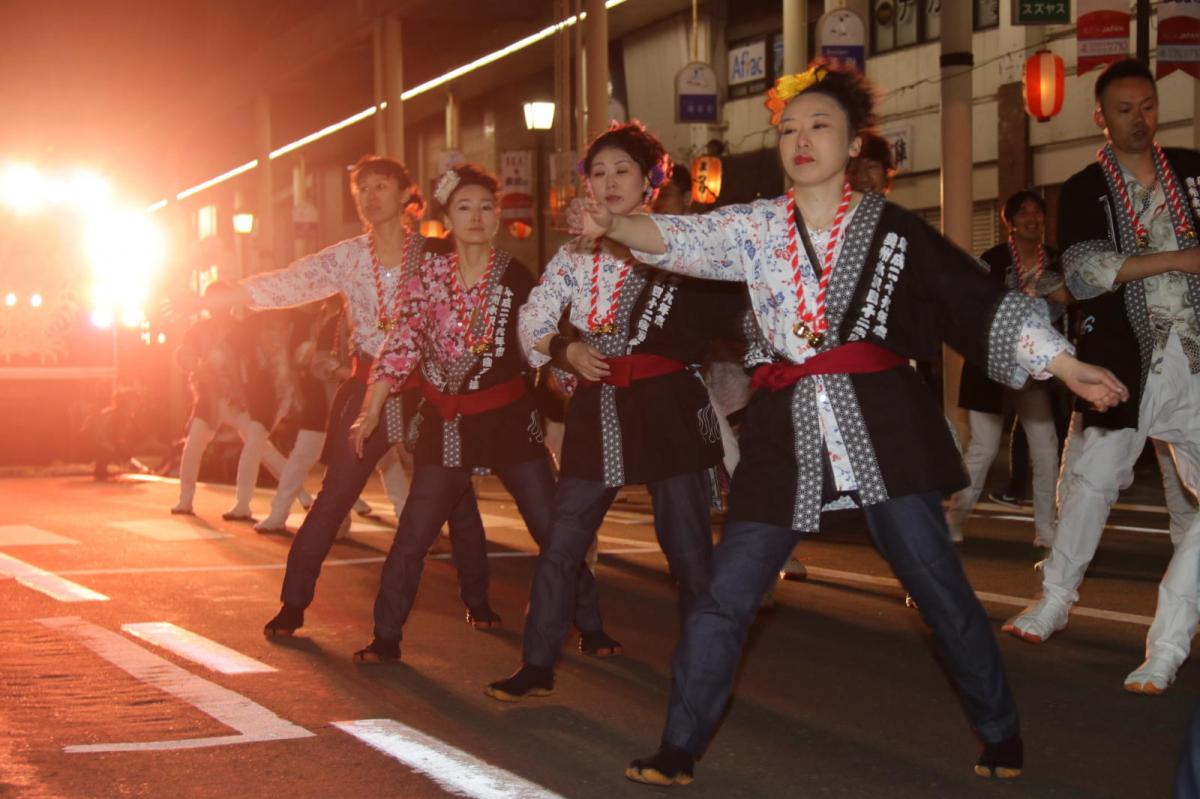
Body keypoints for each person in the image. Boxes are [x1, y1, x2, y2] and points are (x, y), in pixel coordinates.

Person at [576, 63, 1128, 785]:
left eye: (819, 126)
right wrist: (613, 223)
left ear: (852, 142)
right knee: (724, 594)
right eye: (788, 130)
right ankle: (679, 745)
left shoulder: (895, 232)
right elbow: (682, 238)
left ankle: (1000, 728)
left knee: (940, 590)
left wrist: (1064, 365)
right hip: (784, 433)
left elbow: (970, 299)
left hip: (883, 427)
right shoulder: (754, 226)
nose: (801, 140)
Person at [173, 155, 494, 637]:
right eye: (362, 188)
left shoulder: (434, 255)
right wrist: (225, 295)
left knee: (457, 495)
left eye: (382, 186)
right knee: (333, 498)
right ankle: (293, 605)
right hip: (366, 387)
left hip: (428, 389)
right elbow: (291, 281)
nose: (370, 196)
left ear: (406, 195)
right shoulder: (346, 257)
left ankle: (478, 599)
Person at [484, 122, 745, 702]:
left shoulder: (682, 242)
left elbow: (732, 304)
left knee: (687, 548)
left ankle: (705, 671)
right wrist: (564, 348)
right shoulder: (573, 255)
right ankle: (537, 662)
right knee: (563, 540)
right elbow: (534, 317)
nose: (608, 183)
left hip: (669, 406)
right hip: (599, 406)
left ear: (651, 182)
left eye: (622, 171)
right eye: (597, 173)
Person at [348, 164, 611, 661]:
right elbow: (402, 344)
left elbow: (539, 337)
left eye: (486, 207)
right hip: (447, 423)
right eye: (464, 207)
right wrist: (370, 410)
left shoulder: (515, 275)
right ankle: (386, 636)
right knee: (414, 534)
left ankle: (591, 624)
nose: (476, 216)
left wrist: (568, 374)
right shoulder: (427, 276)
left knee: (551, 528)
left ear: (496, 220)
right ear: (447, 218)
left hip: (509, 419)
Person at [1002, 58, 1200, 695]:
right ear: (1101, 116)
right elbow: (1087, 270)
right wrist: (1181, 259)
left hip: (1195, 359)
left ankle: (1168, 642)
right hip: (1125, 358)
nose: (1138, 119)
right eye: (1124, 109)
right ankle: (1056, 597)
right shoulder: (1086, 186)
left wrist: (1139, 264)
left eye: (1147, 106)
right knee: (1089, 482)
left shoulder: (1193, 173)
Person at [946, 191, 1070, 547]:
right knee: (983, 449)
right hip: (990, 364)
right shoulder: (994, 259)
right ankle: (953, 521)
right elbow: (974, 305)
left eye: (1038, 212)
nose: (1032, 218)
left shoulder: (1056, 260)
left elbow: (1068, 305)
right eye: (1024, 213)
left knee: (1046, 448)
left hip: (1036, 368)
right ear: (1010, 223)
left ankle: (1046, 528)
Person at [170, 280, 272, 518]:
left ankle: (302, 498)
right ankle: (187, 500)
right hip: (209, 398)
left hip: (236, 398)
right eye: (213, 301)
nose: (217, 307)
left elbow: (256, 363)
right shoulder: (199, 330)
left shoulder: (242, 329)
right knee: (194, 444)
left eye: (222, 301)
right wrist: (193, 364)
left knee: (266, 450)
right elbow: (185, 359)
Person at [88, 387, 141, 481]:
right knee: (114, 449)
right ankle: (101, 468)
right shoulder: (120, 415)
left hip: (97, 443)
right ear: (128, 402)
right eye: (135, 401)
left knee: (117, 449)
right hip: (92, 444)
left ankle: (101, 468)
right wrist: (126, 458)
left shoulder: (116, 413)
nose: (138, 404)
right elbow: (113, 439)